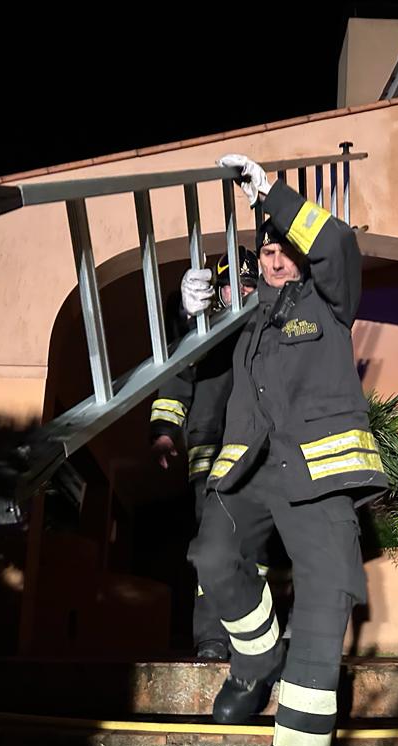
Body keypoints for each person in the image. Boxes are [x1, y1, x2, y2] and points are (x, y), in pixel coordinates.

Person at [185, 154, 387, 746]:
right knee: (212, 557)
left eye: (286, 251)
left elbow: (336, 243)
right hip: (247, 470)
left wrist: (271, 193)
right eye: (268, 252)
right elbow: (197, 370)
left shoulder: (330, 301)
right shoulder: (243, 315)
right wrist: (192, 312)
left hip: (317, 472)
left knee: (326, 596)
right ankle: (255, 660)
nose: (276, 260)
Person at [149, 248, 272, 659]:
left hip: (258, 451)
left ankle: (252, 637)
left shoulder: (267, 332)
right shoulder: (202, 331)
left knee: (254, 549)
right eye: (232, 286)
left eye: (249, 285)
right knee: (213, 545)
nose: (242, 293)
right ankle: (213, 640)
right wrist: (165, 430)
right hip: (211, 450)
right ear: (217, 291)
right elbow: (176, 376)